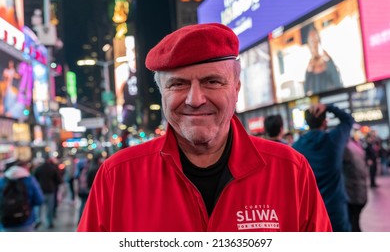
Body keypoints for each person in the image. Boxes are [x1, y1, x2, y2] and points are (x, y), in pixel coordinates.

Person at [78, 23, 331, 232]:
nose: (195, 99)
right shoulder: (117, 177)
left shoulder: (291, 171)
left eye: (212, 81)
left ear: (236, 89)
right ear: (162, 94)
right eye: (178, 84)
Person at [293, 103, 354, 231]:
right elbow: (348, 119)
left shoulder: (296, 147)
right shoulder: (333, 140)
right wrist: (328, 107)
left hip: (312, 209)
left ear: (307, 123)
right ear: (325, 122)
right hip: (336, 206)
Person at [0, 159, 44, 232]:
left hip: (5, 222)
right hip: (26, 221)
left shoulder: (2, 181)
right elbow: (39, 200)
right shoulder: (30, 180)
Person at [303, 25, 343, 96]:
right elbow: (306, 93)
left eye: (316, 39)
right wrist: (308, 73)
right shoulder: (309, 68)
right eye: (312, 41)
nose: (315, 44)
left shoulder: (328, 61)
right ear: (308, 45)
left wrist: (329, 62)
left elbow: (339, 85)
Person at [33, 154, 62, 229]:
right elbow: (58, 179)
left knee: (39, 207)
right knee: (50, 208)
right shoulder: (52, 168)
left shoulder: (38, 168)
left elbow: (34, 179)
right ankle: (49, 222)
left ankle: (38, 220)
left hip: (40, 190)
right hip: (50, 190)